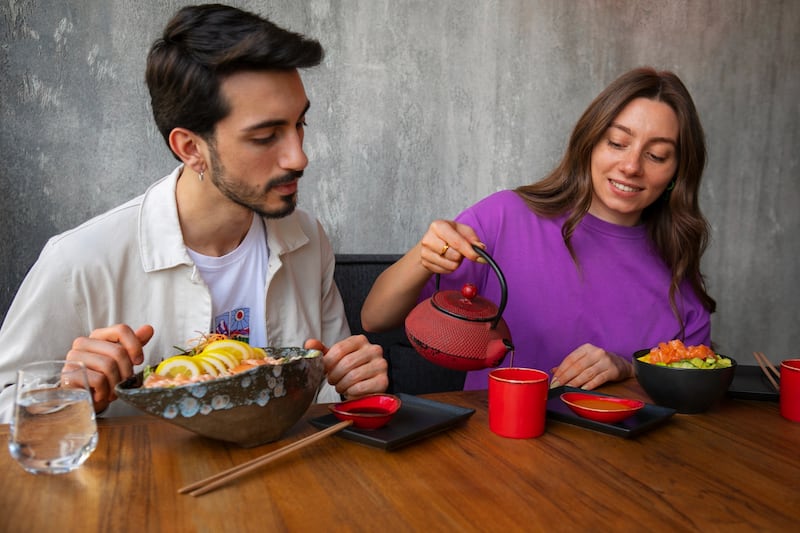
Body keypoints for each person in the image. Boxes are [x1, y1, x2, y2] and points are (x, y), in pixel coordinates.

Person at [0, 3, 388, 422]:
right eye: (265, 136)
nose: (299, 157)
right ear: (190, 148)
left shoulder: (307, 237)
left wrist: (355, 381)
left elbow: (329, 392)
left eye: (299, 125)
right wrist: (69, 394)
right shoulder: (79, 260)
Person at [362, 67, 716, 391]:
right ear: (590, 142)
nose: (630, 166)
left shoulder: (678, 271)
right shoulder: (504, 217)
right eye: (617, 142)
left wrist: (630, 368)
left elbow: (691, 392)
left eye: (656, 156)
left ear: (676, 174)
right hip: (495, 450)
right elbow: (375, 317)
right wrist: (424, 257)